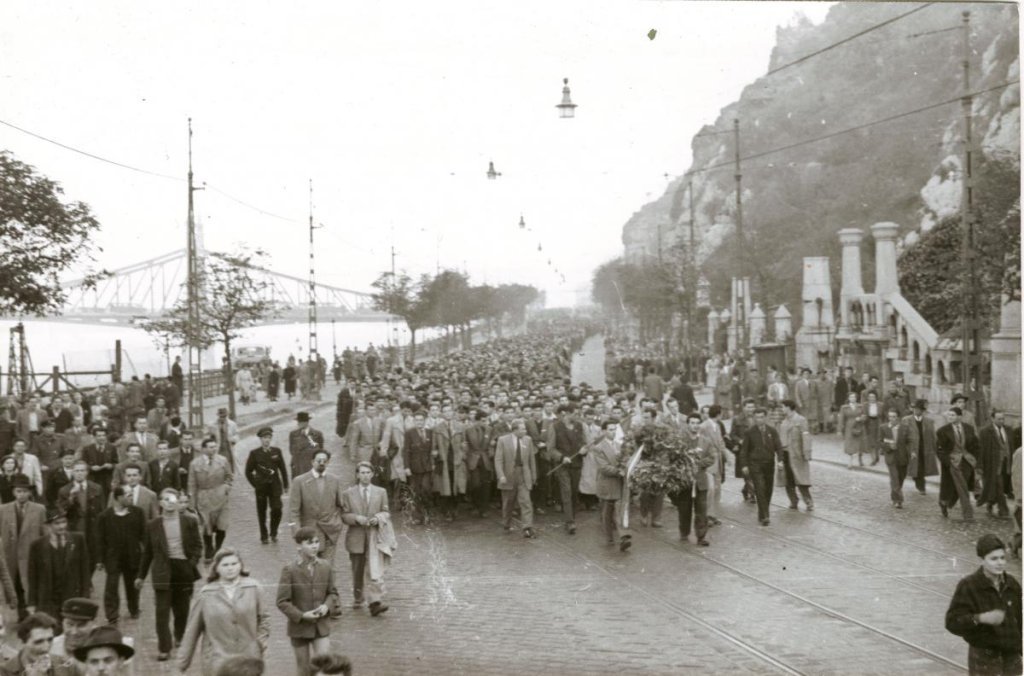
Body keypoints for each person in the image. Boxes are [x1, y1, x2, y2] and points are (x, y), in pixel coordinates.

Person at [135, 488, 203, 661]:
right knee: (162, 612)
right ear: (160, 502)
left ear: (178, 502)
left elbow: (197, 546)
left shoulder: (189, 521)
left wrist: (191, 563)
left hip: (183, 570)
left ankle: (179, 635)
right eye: (166, 499)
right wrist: (141, 576)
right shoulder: (153, 525)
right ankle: (164, 648)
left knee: (182, 610)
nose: (170, 502)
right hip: (162, 571)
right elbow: (148, 553)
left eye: (173, 499)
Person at [178, 548, 269, 675]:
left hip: (248, 660)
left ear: (240, 565)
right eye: (225, 565)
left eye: (234, 564)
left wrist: (260, 644)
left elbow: (264, 618)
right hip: (218, 661)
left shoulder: (254, 588)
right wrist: (182, 663)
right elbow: (192, 630)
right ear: (217, 568)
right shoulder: (206, 594)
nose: (230, 568)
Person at [945, 534, 1022, 675]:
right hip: (984, 660)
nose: (1000, 563)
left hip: (1012, 659)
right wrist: (980, 618)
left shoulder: (1012, 584)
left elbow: (1020, 619)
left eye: (1002, 558)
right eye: (994, 559)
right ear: (982, 560)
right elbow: (952, 622)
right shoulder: (969, 586)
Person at [277, 527, 340, 675]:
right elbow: (282, 601)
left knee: (324, 666)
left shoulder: (326, 566)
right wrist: (302, 615)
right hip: (299, 628)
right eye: (309, 543)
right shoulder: (290, 570)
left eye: (317, 542)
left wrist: (326, 606)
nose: (314, 546)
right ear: (299, 545)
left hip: (320, 625)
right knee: (304, 669)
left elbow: (333, 593)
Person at [340, 462, 392, 617]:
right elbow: (344, 515)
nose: (365, 475)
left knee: (374, 569)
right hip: (356, 537)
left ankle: (375, 601)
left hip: (374, 537)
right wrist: (357, 518)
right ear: (357, 475)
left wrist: (378, 517)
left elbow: (386, 512)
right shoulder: (348, 493)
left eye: (368, 472)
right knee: (357, 569)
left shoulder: (381, 492)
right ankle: (358, 597)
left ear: (372, 474)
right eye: (362, 473)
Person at [27, 508, 91, 627]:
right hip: (48, 599)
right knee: (52, 630)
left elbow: (85, 571)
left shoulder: (78, 540)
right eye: (57, 523)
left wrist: (85, 596)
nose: (62, 526)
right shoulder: (37, 546)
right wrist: (32, 602)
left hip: (71, 597)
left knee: (71, 629)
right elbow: (32, 577)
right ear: (48, 525)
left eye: (64, 522)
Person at [96, 484, 145, 626]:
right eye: (128, 495)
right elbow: (100, 540)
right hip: (113, 558)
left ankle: (134, 609)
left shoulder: (138, 513)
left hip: (132, 556)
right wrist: (99, 559)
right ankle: (112, 615)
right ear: (119, 497)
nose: (131, 497)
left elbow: (144, 536)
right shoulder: (104, 516)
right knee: (111, 587)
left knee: (133, 586)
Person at [0, 475, 45, 620]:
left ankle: (29, 614)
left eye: (25, 491)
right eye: (18, 491)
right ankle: (22, 615)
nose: (21, 494)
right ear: (14, 492)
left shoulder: (39, 509)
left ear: (30, 493)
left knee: (30, 585)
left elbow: (44, 533)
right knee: (16, 584)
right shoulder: (3, 509)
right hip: (10, 555)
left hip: (30, 555)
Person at [290, 450, 345, 565]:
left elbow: (341, 505)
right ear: (312, 462)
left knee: (327, 569)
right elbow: (293, 512)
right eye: (318, 460)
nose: (321, 463)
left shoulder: (334, 480)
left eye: (324, 461)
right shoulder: (300, 481)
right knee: (309, 570)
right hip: (308, 534)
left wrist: (337, 523)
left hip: (329, 533)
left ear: (328, 462)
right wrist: (298, 535)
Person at [189, 438, 233, 563]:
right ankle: (209, 547)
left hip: (221, 496)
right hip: (204, 497)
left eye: (214, 447)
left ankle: (218, 548)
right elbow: (191, 484)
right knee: (206, 525)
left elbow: (229, 476)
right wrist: (192, 504)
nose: (213, 449)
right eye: (210, 447)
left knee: (222, 525)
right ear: (203, 449)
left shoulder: (223, 460)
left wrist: (226, 487)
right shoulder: (195, 464)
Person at [673, 413, 713, 546]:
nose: (695, 426)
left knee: (701, 509)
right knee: (684, 508)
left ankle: (701, 536)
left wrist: (699, 463)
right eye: (692, 423)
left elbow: (711, 458)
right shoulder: (681, 441)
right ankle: (684, 532)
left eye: (697, 423)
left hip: (700, 481)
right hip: (685, 481)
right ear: (688, 424)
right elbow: (674, 457)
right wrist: (685, 463)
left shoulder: (706, 441)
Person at [56, 460, 104, 572]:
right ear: (72, 472)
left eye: (82, 470)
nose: (79, 473)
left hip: (91, 529)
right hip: (74, 529)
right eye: (77, 471)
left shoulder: (97, 488)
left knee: (90, 560)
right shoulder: (64, 490)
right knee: (74, 560)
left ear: (87, 472)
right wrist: (71, 498)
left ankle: (87, 584)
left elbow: (102, 510)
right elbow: (62, 512)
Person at [245, 427, 289, 545]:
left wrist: (286, 485)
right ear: (260, 439)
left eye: (269, 438)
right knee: (261, 511)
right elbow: (248, 471)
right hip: (262, 487)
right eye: (264, 438)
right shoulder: (254, 454)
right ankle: (264, 535)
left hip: (275, 486)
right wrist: (256, 484)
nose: (267, 440)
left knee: (277, 509)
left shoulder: (276, 451)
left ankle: (273, 532)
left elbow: (283, 468)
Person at [589, 420, 629, 551]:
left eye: (614, 429)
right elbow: (603, 467)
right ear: (604, 431)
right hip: (607, 483)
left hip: (618, 482)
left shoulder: (619, 445)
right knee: (607, 512)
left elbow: (625, 460)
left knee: (618, 510)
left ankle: (623, 536)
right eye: (611, 430)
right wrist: (619, 471)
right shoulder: (598, 447)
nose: (613, 432)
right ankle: (609, 537)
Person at [740, 408, 783, 526]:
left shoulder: (772, 431)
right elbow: (744, 450)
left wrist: (780, 460)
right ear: (754, 418)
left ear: (766, 417)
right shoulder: (750, 432)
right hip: (755, 464)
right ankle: (765, 515)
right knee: (760, 488)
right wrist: (744, 465)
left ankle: (762, 512)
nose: (760, 420)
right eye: (757, 417)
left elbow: (779, 446)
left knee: (768, 489)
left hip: (769, 464)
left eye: (762, 417)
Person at [494, 420, 537, 539]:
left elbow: (531, 460)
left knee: (526, 502)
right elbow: (498, 460)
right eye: (522, 429)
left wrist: (533, 476)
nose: (525, 431)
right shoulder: (503, 440)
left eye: (525, 429)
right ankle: (506, 523)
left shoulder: (528, 440)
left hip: (523, 474)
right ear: (515, 430)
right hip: (508, 476)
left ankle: (527, 528)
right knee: (508, 502)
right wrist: (501, 475)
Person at [937, 406, 978, 522]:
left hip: (967, 461)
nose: (950, 417)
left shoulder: (969, 428)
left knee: (960, 486)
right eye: (949, 415)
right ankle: (968, 514)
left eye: (953, 415)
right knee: (962, 487)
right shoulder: (942, 431)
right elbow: (939, 450)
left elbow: (976, 445)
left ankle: (945, 502)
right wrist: (948, 462)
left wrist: (975, 459)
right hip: (952, 462)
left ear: (960, 417)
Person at [551, 405, 585, 535]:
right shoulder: (555, 427)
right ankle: (570, 522)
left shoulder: (579, 426)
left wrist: (583, 449)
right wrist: (561, 457)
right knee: (566, 491)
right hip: (563, 465)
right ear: (566, 413)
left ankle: (572, 518)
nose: (577, 416)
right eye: (575, 414)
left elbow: (582, 442)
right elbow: (551, 449)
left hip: (576, 464)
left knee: (574, 492)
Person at [899, 399, 940, 496]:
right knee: (908, 469)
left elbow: (933, 436)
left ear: (923, 411)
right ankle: (901, 487)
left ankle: (921, 486)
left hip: (924, 449)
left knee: (921, 467)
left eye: (919, 410)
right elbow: (902, 437)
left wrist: (936, 449)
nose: (916, 411)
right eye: (915, 409)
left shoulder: (929, 422)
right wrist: (904, 450)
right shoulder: (906, 420)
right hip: (911, 449)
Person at [778, 400, 813, 512]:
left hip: (797, 454)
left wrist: (806, 453)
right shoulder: (783, 422)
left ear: (788, 407)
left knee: (801, 479)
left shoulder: (800, 420)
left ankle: (808, 501)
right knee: (788, 479)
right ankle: (793, 501)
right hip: (786, 454)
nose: (781, 409)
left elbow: (806, 436)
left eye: (783, 407)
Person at [0, 612, 59, 676]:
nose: (46, 648)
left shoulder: (64, 665)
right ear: (22, 642)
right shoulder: (4, 671)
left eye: (50, 640)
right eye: (38, 642)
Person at [978, 411, 1012, 519]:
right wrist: (980, 466)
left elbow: (1011, 446)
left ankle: (990, 502)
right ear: (992, 419)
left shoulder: (1008, 430)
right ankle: (1003, 509)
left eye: (1003, 419)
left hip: (1006, 464)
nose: (1001, 421)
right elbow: (981, 450)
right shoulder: (985, 432)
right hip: (992, 464)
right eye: (999, 419)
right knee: (999, 484)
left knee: (999, 485)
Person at [699, 405, 729, 525]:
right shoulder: (704, 426)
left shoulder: (717, 426)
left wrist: (726, 455)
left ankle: (713, 514)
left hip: (718, 462)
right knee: (710, 489)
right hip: (709, 462)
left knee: (717, 489)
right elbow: (701, 444)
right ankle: (706, 515)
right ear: (719, 414)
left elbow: (720, 442)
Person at [402, 412, 434, 525]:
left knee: (426, 490)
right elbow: (406, 451)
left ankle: (428, 514)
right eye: (417, 420)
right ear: (414, 421)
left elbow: (432, 449)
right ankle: (418, 516)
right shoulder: (409, 433)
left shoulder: (430, 432)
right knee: (416, 492)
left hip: (427, 466)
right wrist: (406, 467)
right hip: (414, 467)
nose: (419, 422)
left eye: (421, 420)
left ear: (425, 420)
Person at [48, 597, 99, 666]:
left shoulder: (102, 651)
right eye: (69, 624)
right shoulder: (50, 648)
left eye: (81, 625)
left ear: (94, 623)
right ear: (63, 623)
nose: (74, 632)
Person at [730, 399, 757, 503]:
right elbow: (732, 434)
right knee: (747, 473)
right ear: (744, 407)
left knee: (755, 472)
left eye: (753, 407)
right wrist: (740, 441)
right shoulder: (737, 419)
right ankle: (753, 494)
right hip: (743, 451)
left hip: (755, 450)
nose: (751, 409)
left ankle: (746, 490)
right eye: (749, 407)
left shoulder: (757, 418)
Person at [880, 409, 909, 508]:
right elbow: (879, 441)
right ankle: (899, 500)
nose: (892, 419)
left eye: (894, 417)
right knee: (895, 478)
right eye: (890, 417)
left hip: (903, 457)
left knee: (901, 478)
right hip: (891, 457)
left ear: (898, 418)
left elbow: (909, 441)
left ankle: (894, 496)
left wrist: (911, 452)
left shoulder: (905, 428)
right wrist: (888, 447)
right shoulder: (883, 428)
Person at [81, 429, 117, 505]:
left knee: (107, 499)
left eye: (104, 435)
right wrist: (91, 468)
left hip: (107, 479)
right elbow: (82, 464)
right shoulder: (87, 449)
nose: (102, 438)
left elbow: (116, 463)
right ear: (94, 437)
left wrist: (111, 466)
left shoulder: (112, 448)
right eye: (99, 436)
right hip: (93, 478)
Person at [289, 413, 325, 480]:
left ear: (306, 422)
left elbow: (321, 452)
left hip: (311, 468)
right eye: (298, 421)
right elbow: (291, 451)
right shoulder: (293, 434)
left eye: (300, 422)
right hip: (298, 468)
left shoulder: (317, 434)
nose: (298, 424)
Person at [839, 391, 866, 469]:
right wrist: (840, 430)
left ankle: (860, 459)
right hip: (849, 427)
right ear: (848, 398)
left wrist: (860, 418)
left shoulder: (860, 406)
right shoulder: (844, 407)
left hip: (859, 426)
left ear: (856, 398)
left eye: (854, 397)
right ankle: (850, 462)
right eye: (851, 397)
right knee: (850, 444)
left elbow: (864, 416)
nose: (853, 398)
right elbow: (841, 419)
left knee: (860, 443)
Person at [211, 409, 239, 473]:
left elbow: (237, 434)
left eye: (224, 416)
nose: (222, 418)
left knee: (228, 462)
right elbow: (210, 436)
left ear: (227, 416)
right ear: (218, 416)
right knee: (218, 463)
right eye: (221, 416)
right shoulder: (213, 425)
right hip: (218, 448)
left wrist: (233, 439)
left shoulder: (232, 424)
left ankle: (230, 477)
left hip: (228, 447)